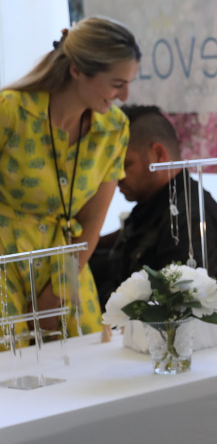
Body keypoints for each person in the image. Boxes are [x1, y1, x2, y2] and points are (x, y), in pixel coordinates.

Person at [0, 18, 139, 343]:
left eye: (129, 83)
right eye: (117, 83)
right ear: (77, 70)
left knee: (85, 363)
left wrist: (59, 290)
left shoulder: (114, 129)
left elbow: (91, 223)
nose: (124, 95)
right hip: (5, 262)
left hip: (66, 266)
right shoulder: (11, 111)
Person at [90, 105, 217, 308]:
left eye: (124, 165)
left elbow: (175, 310)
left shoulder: (189, 219)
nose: (116, 177)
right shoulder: (151, 206)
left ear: (158, 154)